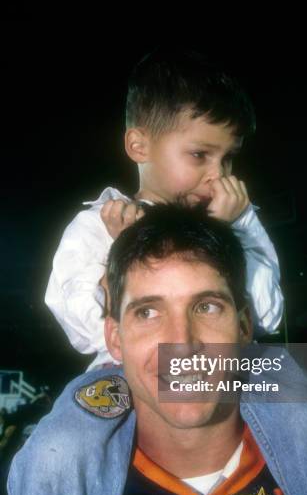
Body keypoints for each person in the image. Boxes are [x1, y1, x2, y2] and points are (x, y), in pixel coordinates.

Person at [8, 205, 307, 495]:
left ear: (244, 324)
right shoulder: (66, 487)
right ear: (114, 339)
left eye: (206, 306)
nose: (182, 344)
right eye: (148, 313)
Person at [45, 48, 283, 371]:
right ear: (139, 146)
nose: (220, 174)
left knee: (301, 400)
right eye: (200, 155)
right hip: (130, 377)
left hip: (222, 371)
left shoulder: (233, 218)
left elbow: (268, 315)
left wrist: (228, 230)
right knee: (76, 420)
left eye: (228, 157)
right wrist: (129, 246)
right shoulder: (100, 223)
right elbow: (86, 330)